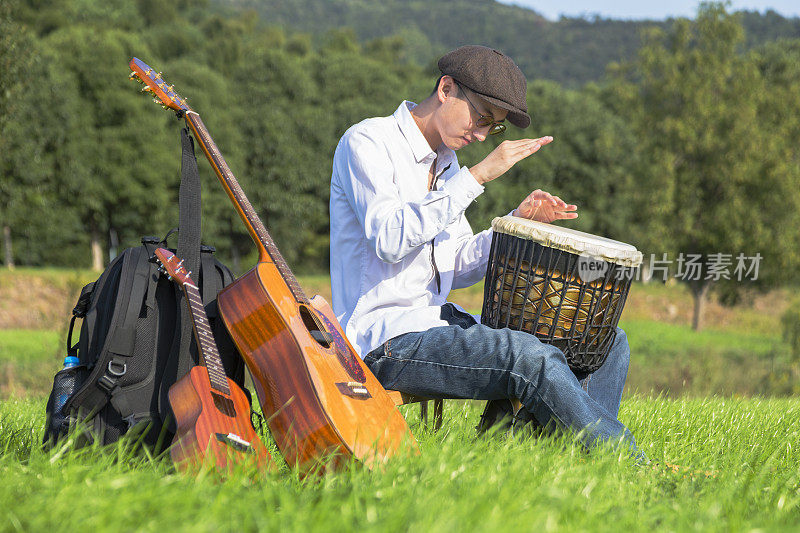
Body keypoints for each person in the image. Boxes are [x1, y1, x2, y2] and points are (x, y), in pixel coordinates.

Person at [329, 45, 643, 459]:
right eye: (481, 119)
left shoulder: (447, 164)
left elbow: (458, 265)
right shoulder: (368, 142)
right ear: (446, 88)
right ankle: (625, 462)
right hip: (381, 339)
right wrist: (477, 176)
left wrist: (517, 224)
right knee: (526, 355)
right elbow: (389, 239)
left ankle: (561, 469)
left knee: (602, 338)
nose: (480, 135)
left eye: (492, 129)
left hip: (436, 324)